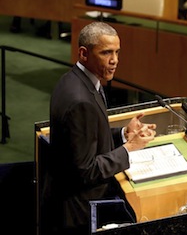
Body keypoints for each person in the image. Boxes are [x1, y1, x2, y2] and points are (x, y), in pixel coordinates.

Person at [41, 21, 157, 234]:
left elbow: (85, 140)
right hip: (78, 212)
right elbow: (85, 170)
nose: (114, 61)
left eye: (117, 52)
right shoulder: (80, 101)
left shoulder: (74, 80)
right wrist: (129, 148)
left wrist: (123, 134)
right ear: (84, 54)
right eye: (106, 53)